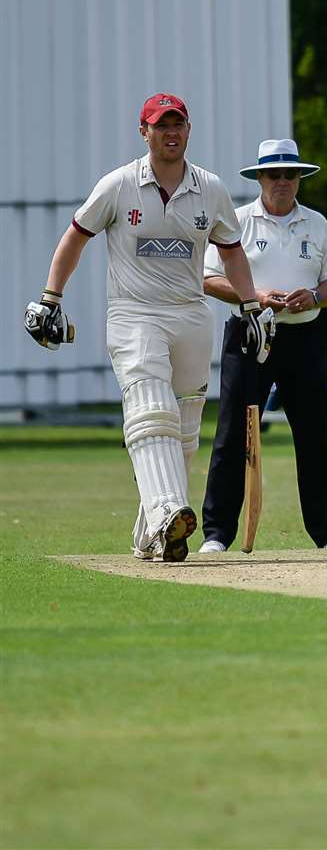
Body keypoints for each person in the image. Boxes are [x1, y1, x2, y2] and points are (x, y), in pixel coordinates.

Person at [22, 93, 274, 562]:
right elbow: (76, 235)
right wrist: (50, 297)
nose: (170, 132)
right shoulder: (119, 185)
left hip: (191, 315)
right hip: (134, 314)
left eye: (177, 124)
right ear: (145, 132)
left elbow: (232, 250)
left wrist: (250, 304)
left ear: (188, 129)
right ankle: (169, 510)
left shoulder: (211, 189)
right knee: (151, 411)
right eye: (161, 125)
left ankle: (152, 533)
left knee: (183, 432)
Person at [198, 138, 327, 553]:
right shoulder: (239, 220)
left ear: (299, 179)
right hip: (250, 332)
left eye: (290, 174)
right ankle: (216, 534)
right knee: (233, 433)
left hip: (302, 335)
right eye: (274, 174)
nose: (282, 181)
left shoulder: (316, 224)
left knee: (315, 434)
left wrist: (315, 297)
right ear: (260, 178)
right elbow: (210, 278)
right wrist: (255, 296)